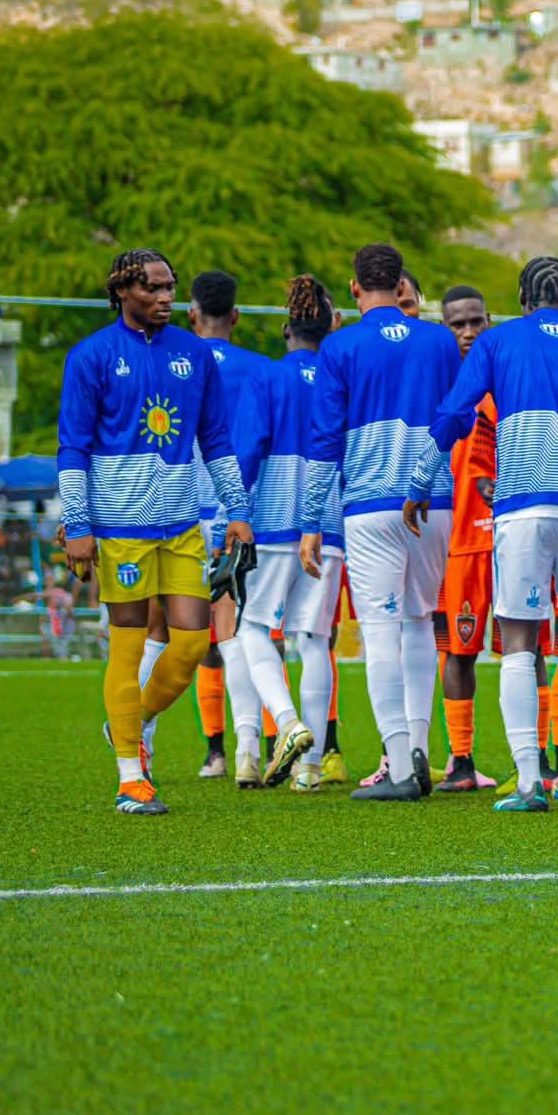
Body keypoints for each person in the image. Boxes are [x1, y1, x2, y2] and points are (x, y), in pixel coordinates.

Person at [411, 257, 558, 812]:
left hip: (523, 507)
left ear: (524, 300)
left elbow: (455, 413)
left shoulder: (497, 343)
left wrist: (419, 482)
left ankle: (529, 781)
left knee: (521, 641)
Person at [59, 249, 254, 815]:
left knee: (192, 643)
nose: (167, 297)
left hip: (182, 523)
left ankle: (131, 722)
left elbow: (216, 439)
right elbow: (73, 445)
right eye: (154, 288)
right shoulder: (90, 356)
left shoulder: (194, 355)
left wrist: (235, 509)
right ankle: (130, 776)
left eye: (171, 288)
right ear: (123, 291)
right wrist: (78, 522)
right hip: (119, 527)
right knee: (126, 641)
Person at [302, 243, 461, 802]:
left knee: (380, 631)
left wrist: (311, 522)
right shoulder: (440, 340)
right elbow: (455, 416)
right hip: (434, 502)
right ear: (401, 287)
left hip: (370, 507)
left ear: (353, 289)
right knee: (420, 623)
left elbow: (323, 440)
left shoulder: (340, 345)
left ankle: (397, 768)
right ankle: (418, 748)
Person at [228, 275, 343, 792]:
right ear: (331, 324)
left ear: (285, 328)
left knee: (252, 629)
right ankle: (310, 767)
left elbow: (247, 450)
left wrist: (231, 514)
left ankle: (286, 723)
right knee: (314, 639)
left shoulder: (269, 379)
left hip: (274, 519)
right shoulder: (345, 376)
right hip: (332, 522)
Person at [185, 269, 277, 784]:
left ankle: (211, 750)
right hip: (244, 516)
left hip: (184, 515)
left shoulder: (178, 366)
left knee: (183, 637)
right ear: (237, 316)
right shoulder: (262, 370)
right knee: (243, 631)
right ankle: (251, 744)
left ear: (191, 315)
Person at [428, 285, 500, 793]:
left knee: (530, 646)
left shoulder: (506, 382)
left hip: (511, 532)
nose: (469, 332)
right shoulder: (440, 388)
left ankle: (539, 761)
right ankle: (461, 760)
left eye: (476, 322)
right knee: (459, 648)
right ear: (445, 326)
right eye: (458, 324)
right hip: (458, 539)